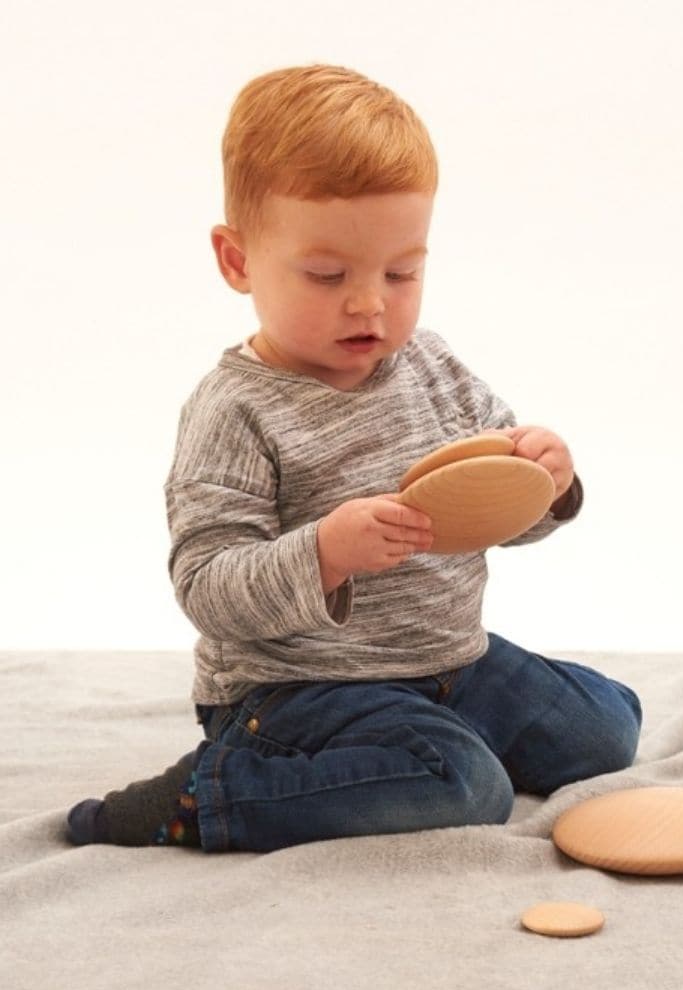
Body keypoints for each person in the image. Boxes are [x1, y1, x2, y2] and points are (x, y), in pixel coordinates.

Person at [66, 63, 642, 853]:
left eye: (402, 271)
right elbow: (206, 585)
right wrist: (324, 554)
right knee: (469, 788)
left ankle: (423, 738)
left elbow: (500, 508)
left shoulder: (432, 367)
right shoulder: (236, 409)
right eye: (328, 275)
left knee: (607, 729)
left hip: (448, 662)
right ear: (237, 261)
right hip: (297, 689)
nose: (370, 301)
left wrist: (549, 481)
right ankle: (213, 794)